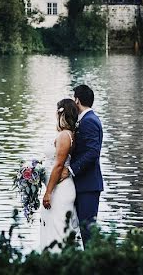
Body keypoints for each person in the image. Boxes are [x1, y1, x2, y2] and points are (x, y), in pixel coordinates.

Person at [66, 84, 103, 247]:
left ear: (77, 100)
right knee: (83, 230)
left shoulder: (89, 121)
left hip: (88, 186)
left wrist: (71, 170)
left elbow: (93, 152)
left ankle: (93, 265)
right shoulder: (86, 120)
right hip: (83, 185)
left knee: (88, 231)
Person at [39, 98, 79, 252]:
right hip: (61, 187)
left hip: (60, 189)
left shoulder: (64, 136)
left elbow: (58, 166)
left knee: (58, 231)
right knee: (57, 228)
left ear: (61, 114)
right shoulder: (69, 134)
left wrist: (48, 193)